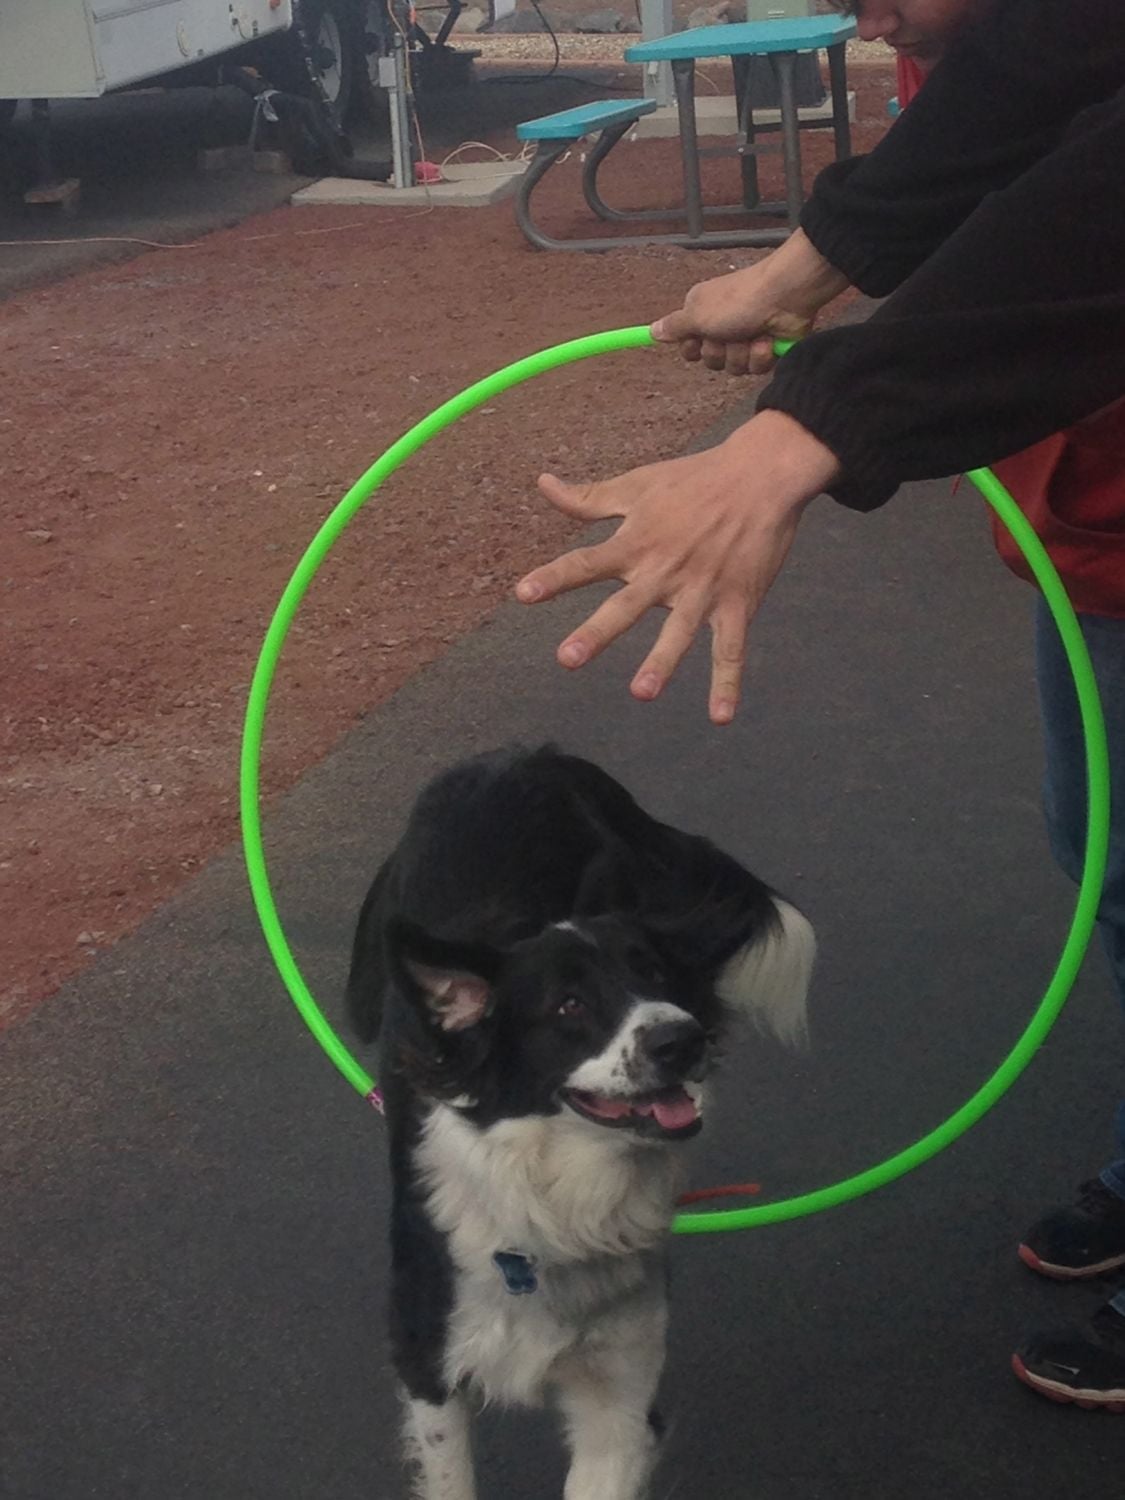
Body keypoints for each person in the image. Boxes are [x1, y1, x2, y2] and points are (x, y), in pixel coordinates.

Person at [516, 0, 1125, 1407]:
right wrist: (805, 267)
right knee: (1106, 858)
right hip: (1102, 536)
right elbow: (1055, 57)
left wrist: (799, 433)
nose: (851, 10)